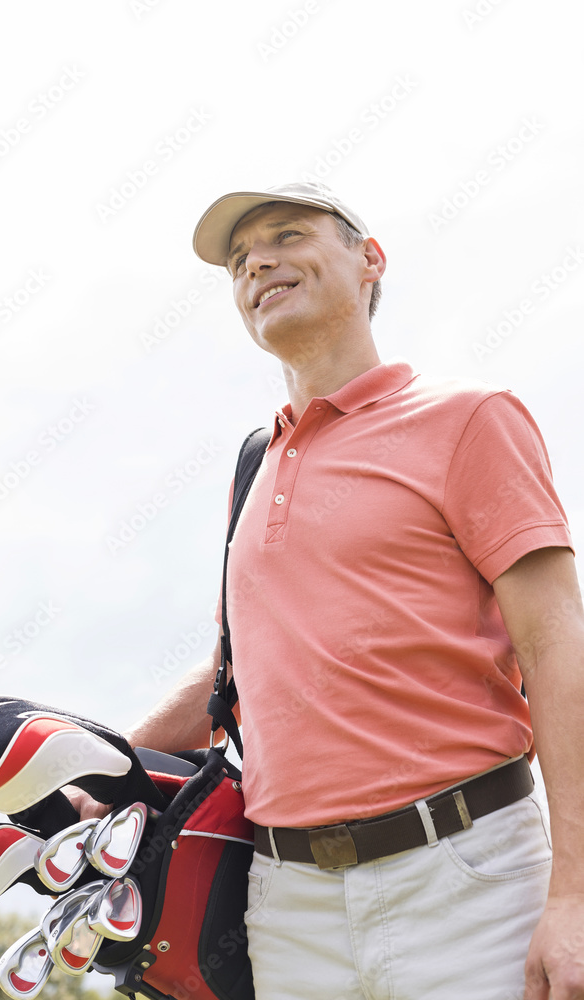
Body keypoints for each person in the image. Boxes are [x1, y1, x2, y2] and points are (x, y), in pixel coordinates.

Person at [69, 182, 584, 999]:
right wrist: (97, 769)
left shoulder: (468, 417)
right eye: (239, 260)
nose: (257, 263)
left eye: (284, 235)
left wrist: (575, 896)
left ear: (368, 259)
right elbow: (235, 677)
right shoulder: (252, 465)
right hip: (287, 904)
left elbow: (558, 651)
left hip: (468, 877)